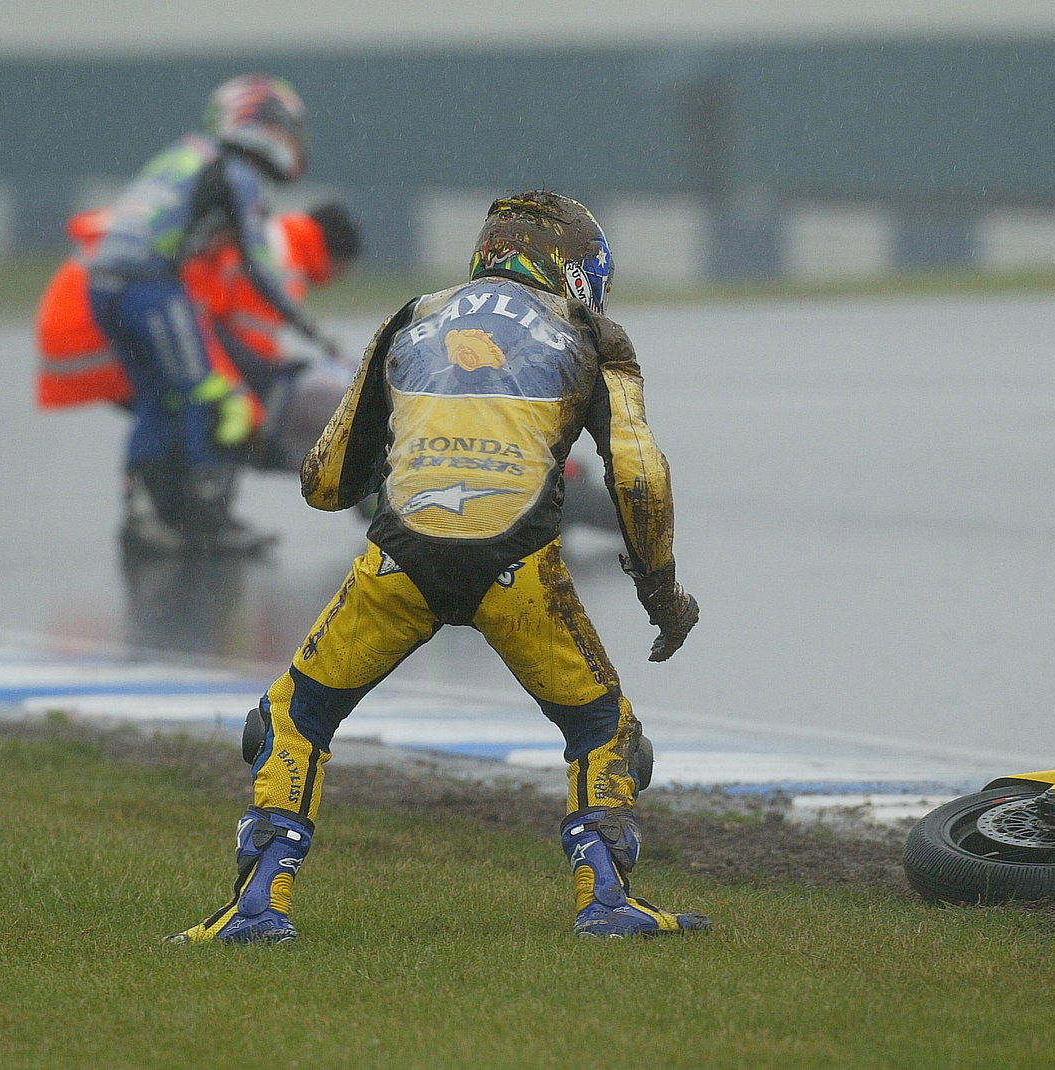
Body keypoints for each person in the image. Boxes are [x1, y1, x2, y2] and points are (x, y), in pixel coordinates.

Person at [169, 190, 707, 943]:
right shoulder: (594, 333)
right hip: (518, 567)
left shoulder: (411, 317)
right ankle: (606, 901)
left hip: (399, 564)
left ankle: (256, 907)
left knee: (291, 719)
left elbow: (325, 481)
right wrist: (661, 593)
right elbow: (640, 474)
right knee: (603, 730)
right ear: (574, 271)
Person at [83, 72, 326, 555]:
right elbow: (259, 266)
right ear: (263, 124)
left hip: (103, 282)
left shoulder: (187, 153)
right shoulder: (237, 171)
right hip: (150, 286)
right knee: (210, 395)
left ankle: (145, 518)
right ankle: (205, 521)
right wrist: (308, 326)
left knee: (157, 397)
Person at [34, 203, 362, 479]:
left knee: (192, 409)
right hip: (104, 330)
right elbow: (250, 348)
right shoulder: (279, 257)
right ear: (335, 257)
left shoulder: (266, 235)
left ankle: (178, 510)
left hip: (88, 324)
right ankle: (188, 509)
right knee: (213, 412)